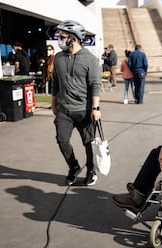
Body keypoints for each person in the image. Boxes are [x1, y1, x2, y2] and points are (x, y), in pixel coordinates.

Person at [51, 20, 102, 186]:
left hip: (85, 110)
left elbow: (95, 84)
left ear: (73, 38)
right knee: (61, 139)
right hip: (64, 110)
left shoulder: (90, 59)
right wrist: (53, 103)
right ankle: (73, 167)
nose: (59, 39)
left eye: (62, 36)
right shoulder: (58, 58)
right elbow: (55, 83)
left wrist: (95, 108)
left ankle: (91, 170)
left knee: (88, 143)